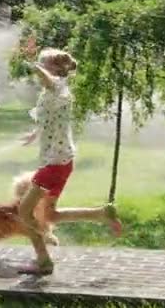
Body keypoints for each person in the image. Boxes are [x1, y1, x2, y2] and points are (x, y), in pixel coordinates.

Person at [18, 45, 123, 275]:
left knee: (24, 213)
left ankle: (43, 261)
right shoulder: (53, 93)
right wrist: (34, 135)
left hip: (54, 165)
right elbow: (52, 121)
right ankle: (101, 214)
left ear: (54, 68)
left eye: (43, 63)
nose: (40, 67)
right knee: (50, 215)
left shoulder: (57, 87)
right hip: (61, 162)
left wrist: (31, 63)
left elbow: (47, 79)